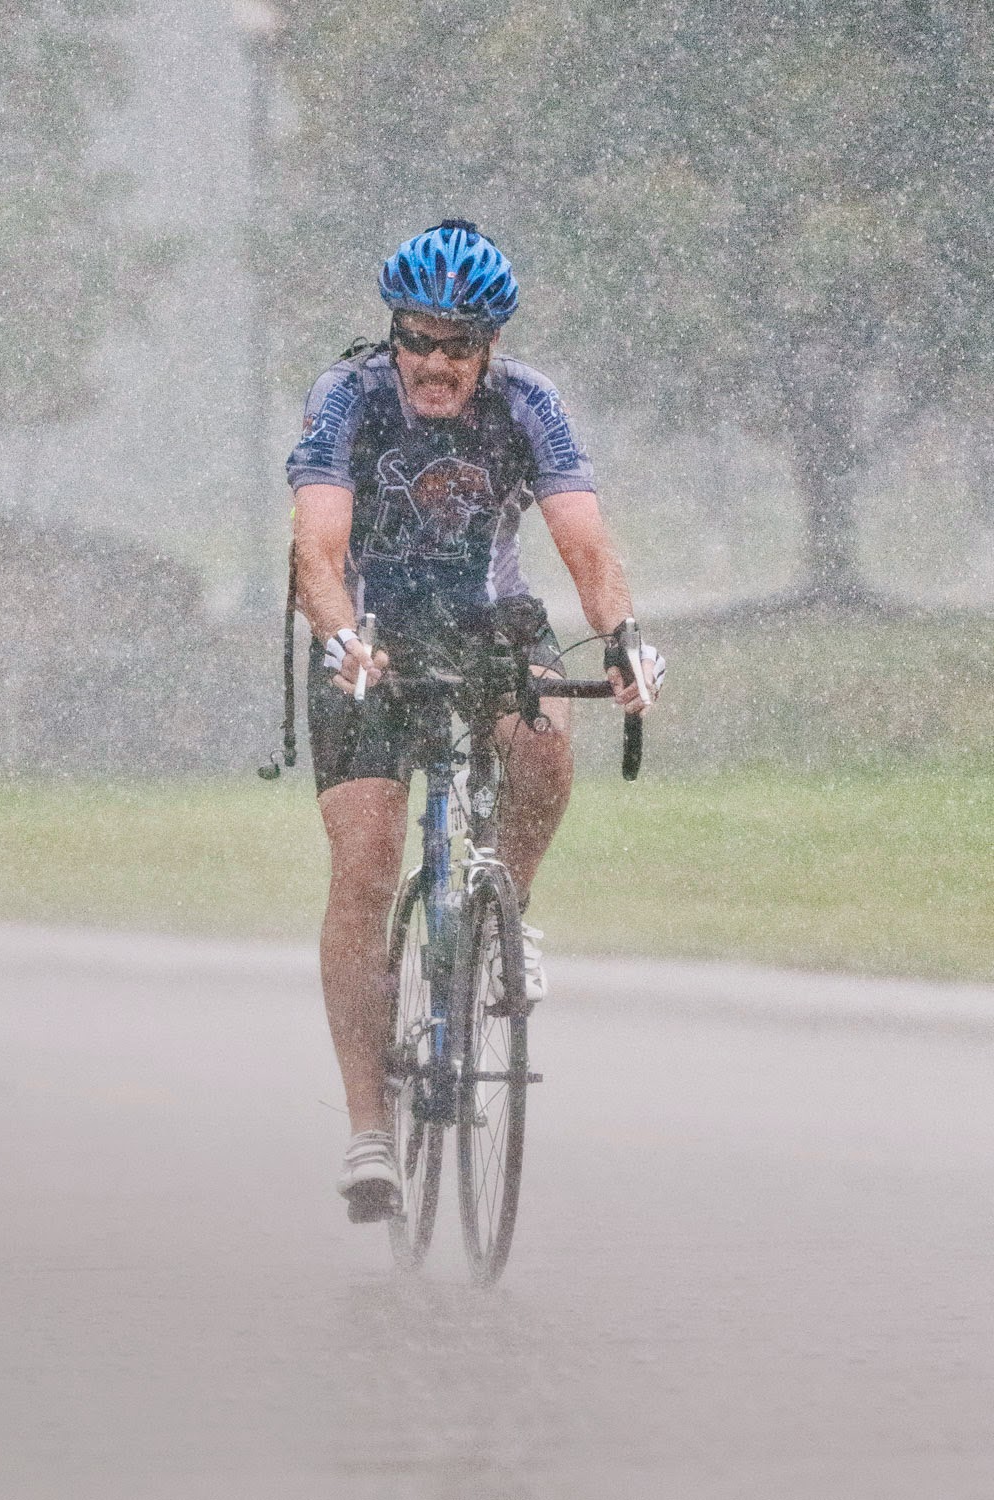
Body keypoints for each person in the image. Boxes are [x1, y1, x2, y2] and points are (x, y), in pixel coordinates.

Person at [286, 219, 662, 1222]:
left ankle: (504, 920)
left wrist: (623, 634)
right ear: (394, 332)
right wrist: (337, 636)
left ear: (487, 346)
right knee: (365, 857)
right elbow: (317, 548)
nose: (433, 361)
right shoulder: (350, 398)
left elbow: (582, 542)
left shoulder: (526, 404)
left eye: (457, 343)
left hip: (485, 616)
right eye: (417, 336)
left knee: (540, 742)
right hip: (366, 626)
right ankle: (370, 1130)